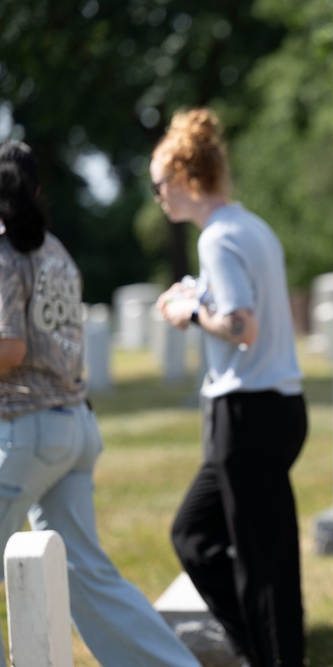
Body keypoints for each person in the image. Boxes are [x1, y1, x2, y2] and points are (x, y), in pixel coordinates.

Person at [0, 140, 200, 667]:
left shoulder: (5, 255)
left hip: (28, 428)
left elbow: (10, 349)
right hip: (75, 426)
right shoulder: (56, 252)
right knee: (87, 574)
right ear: (37, 189)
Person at [151, 108, 309, 666]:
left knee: (259, 560)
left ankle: (270, 655)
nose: (159, 198)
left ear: (186, 178)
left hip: (247, 411)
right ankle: (259, 648)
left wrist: (191, 311)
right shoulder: (250, 226)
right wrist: (195, 294)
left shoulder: (217, 237)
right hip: (277, 405)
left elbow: (242, 325)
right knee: (205, 536)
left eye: (160, 185)